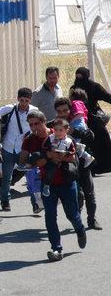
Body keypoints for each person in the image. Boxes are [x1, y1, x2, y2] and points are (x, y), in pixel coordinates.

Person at [19, 111, 87, 262]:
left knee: (72, 215)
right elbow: (23, 160)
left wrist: (51, 156)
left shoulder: (59, 132)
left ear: (44, 122)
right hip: (47, 183)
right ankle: (56, 248)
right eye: (31, 125)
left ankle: (80, 229)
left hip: (66, 182)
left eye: (37, 123)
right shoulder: (29, 139)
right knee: (50, 217)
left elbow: (73, 157)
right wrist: (34, 160)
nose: (34, 127)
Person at [52, 97, 100, 230]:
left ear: (70, 109)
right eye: (59, 111)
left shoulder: (78, 121)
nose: (63, 113)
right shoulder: (54, 125)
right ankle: (77, 221)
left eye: (65, 110)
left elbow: (90, 136)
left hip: (84, 162)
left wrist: (75, 131)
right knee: (77, 195)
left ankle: (92, 219)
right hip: (69, 165)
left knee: (89, 193)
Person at [0, 87, 38, 211]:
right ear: (18, 99)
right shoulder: (10, 109)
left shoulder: (35, 111)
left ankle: (35, 202)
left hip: (25, 149)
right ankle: (5, 201)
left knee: (30, 176)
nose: (24, 103)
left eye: (26, 101)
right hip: (8, 147)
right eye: (22, 100)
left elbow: (40, 125)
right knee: (7, 177)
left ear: (30, 100)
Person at [72, 66, 111, 174]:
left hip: (94, 119)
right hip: (80, 120)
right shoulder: (74, 88)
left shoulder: (94, 86)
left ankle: (105, 165)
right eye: (77, 77)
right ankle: (89, 167)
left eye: (81, 77)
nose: (79, 80)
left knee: (103, 140)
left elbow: (107, 97)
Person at [40, 118, 74, 197]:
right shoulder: (50, 137)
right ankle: (46, 185)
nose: (57, 132)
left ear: (66, 130)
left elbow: (73, 151)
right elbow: (43, 147)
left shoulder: (69, 141)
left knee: (68, 171)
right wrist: (50, 150)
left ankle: (67, 189)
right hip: (51, 159)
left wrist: (66, 153)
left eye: (60, 130)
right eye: (55, 130)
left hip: (63, 160)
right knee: (51, 169)